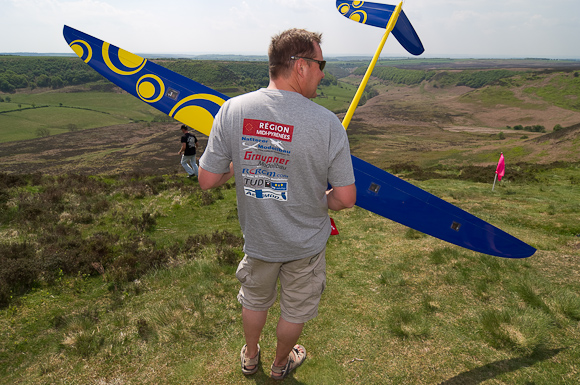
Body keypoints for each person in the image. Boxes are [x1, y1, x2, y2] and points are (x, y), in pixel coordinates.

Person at [198, 28, 356, 380]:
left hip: (259, 239)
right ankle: (280, 364)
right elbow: (346, 198)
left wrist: (236, 169)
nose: (323, 72)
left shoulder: (232, 110)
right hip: (306, 244)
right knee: (295, 308)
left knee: (255, 299)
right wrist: (323, 198)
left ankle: (250, 357)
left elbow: (207, 180)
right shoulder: (328, 124)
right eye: (320, 63)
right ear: (300, 66)